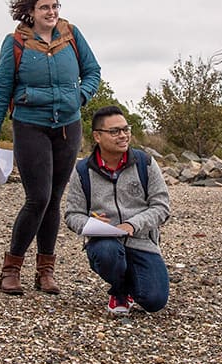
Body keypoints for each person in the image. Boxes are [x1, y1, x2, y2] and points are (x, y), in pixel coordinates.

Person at [0, 0, 101, 296]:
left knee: (54, 200)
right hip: (30, 126)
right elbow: (1, 89)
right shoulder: (16, 42)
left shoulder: (71, 35)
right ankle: (11, 269)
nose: (52, 12)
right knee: (38, 198)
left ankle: (45, 272)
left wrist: (80, 96)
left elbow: (93, 72)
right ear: (31, 12)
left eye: (55, 6)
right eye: (45, 7)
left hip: (67, 127)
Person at [64, 106, 170, 314]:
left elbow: (162, 207)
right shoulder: (82, 170)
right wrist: (89, 224)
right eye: (114, 131)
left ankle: (132, 281)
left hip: (142, 242)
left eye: (125, 129)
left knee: (154, 301)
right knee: (107, 252)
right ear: (97, 136)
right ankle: (120, 290)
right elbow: (71, 214)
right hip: (105, 243)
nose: (123, 136)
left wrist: (133, 224)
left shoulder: (145, 163)